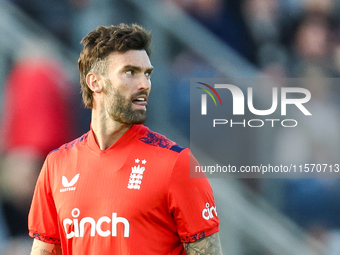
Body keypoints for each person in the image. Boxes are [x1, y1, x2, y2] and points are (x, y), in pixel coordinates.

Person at [28, 23, 222, 254]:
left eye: (147, 74)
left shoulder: (176, 164)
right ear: (95, 82)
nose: (145, 85)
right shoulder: (56, 166)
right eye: (130, 72)